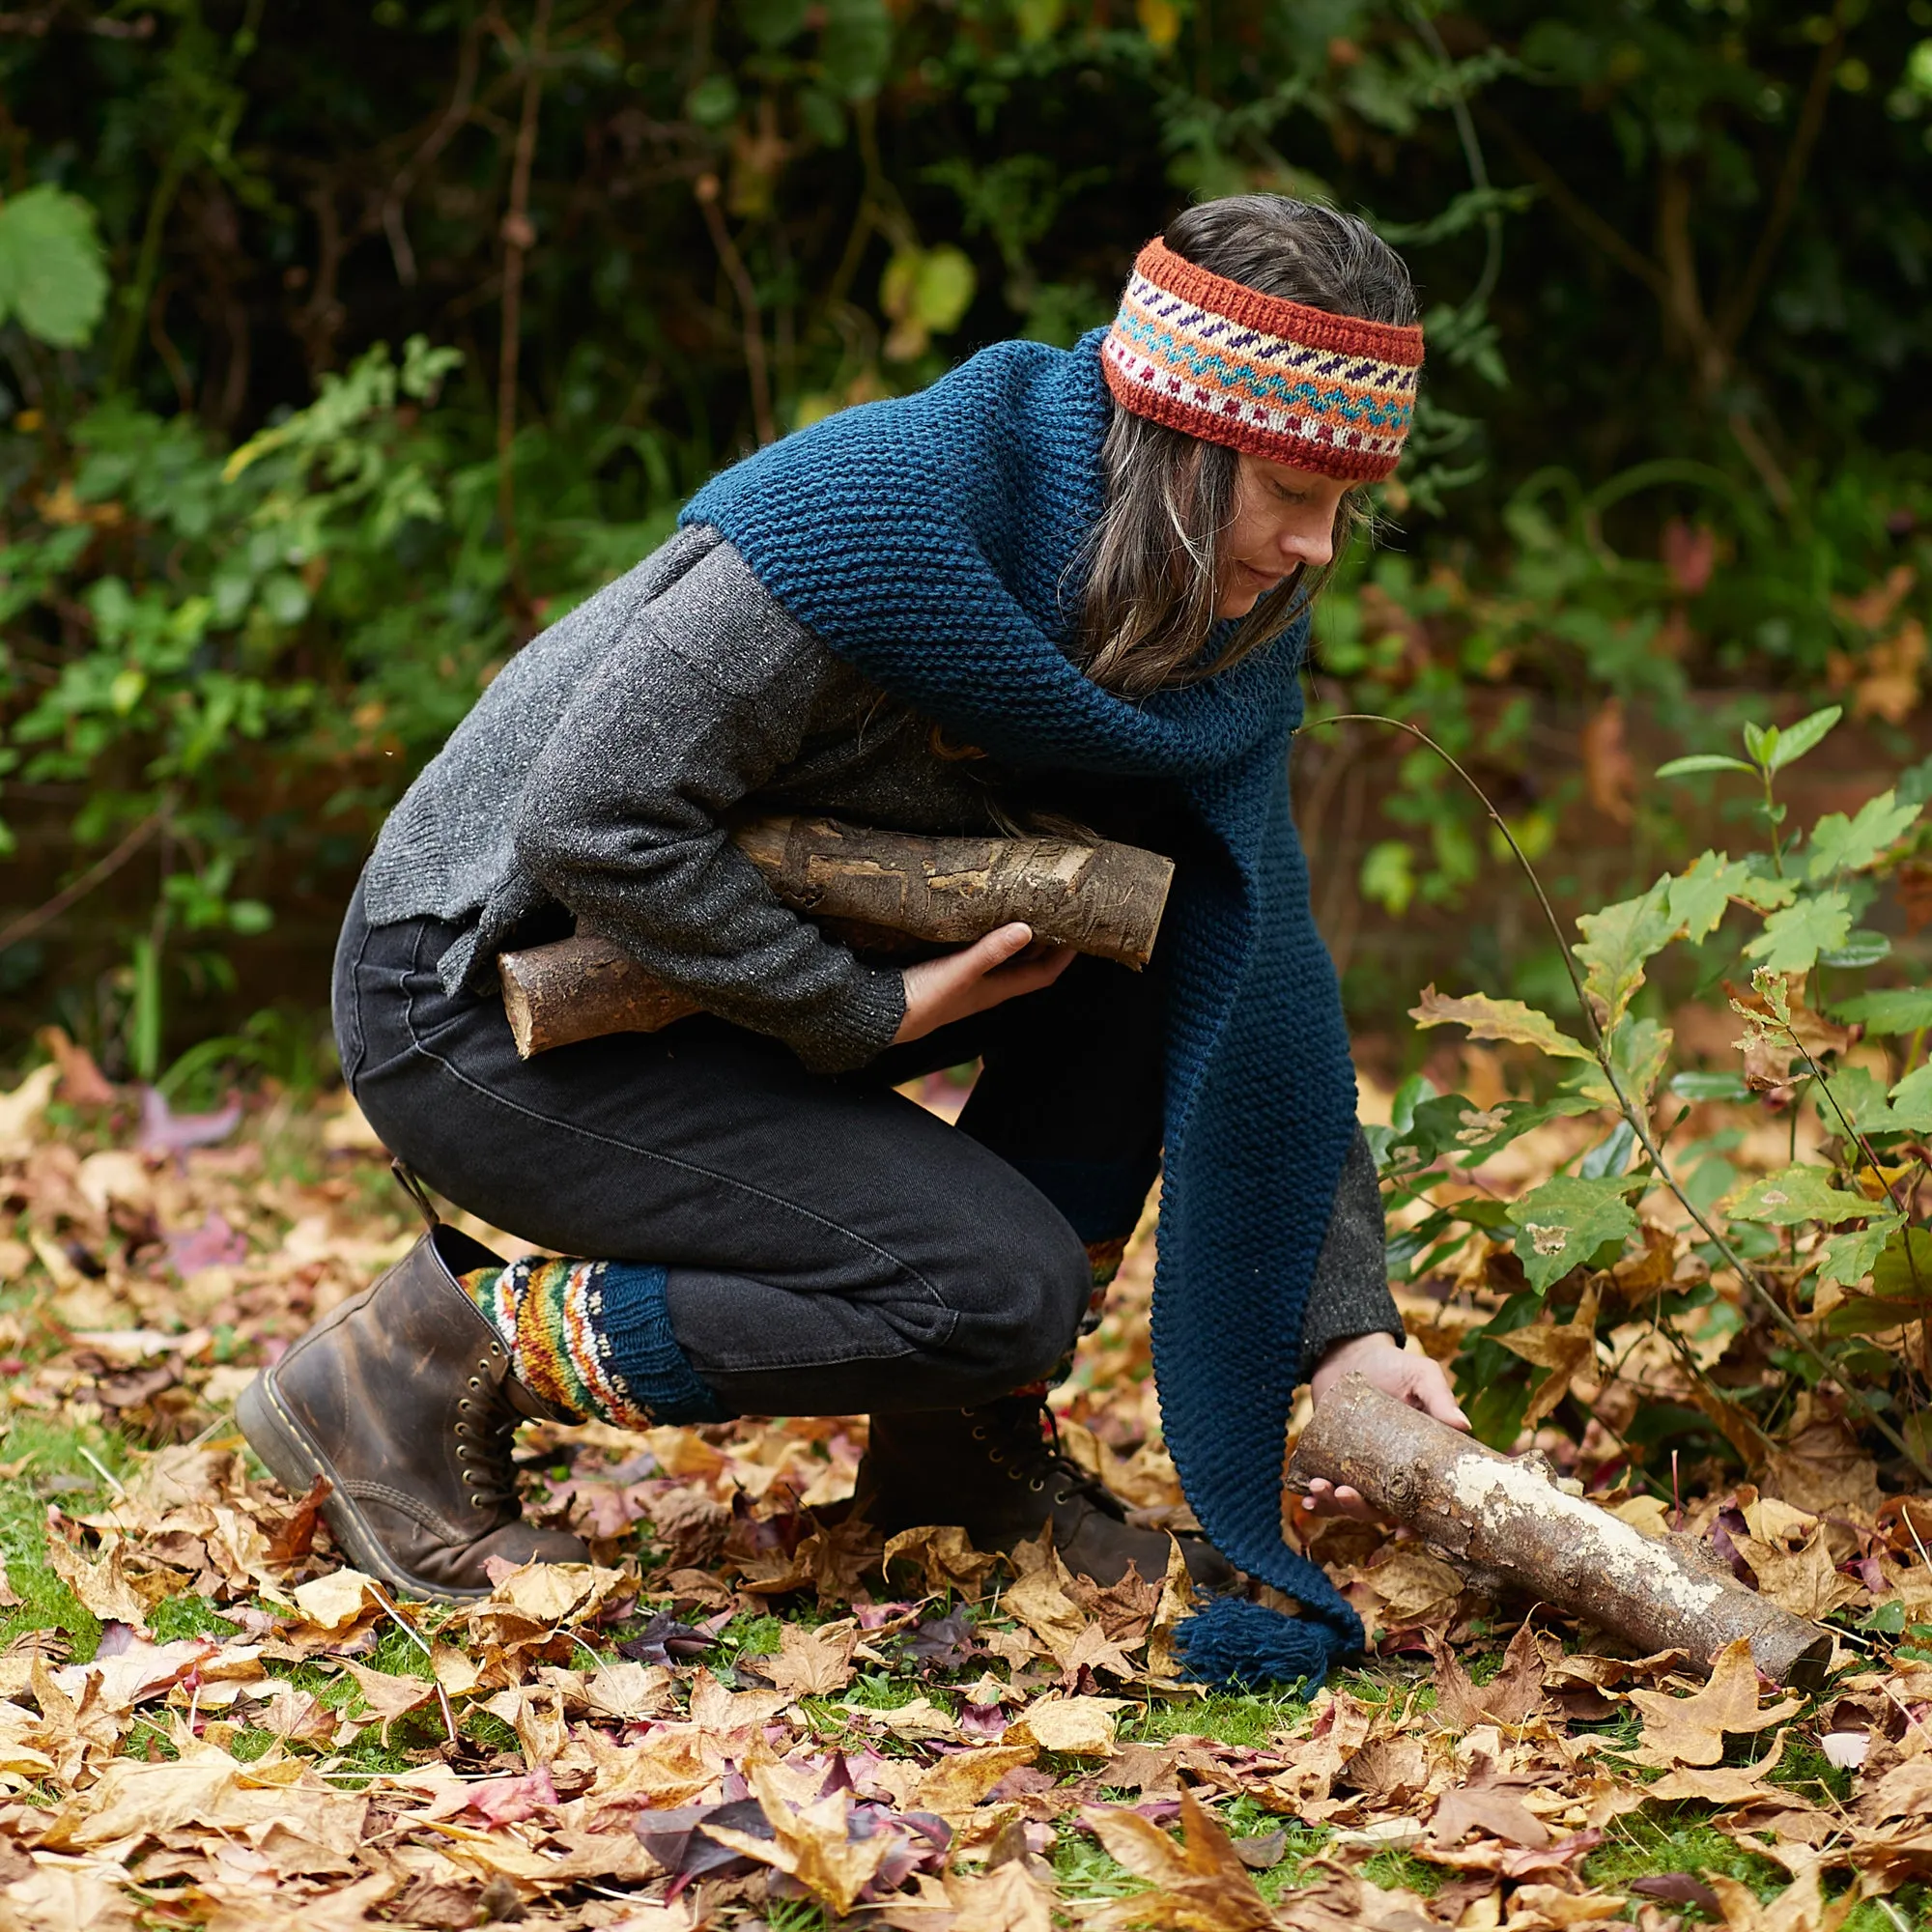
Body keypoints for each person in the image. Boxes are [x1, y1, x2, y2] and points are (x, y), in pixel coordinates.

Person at [240, 194, 1468, 1688]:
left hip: (720, 995)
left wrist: (1342, 1332)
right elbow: (592, 819)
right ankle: (425, 1365)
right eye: (1290, 487)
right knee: (988, 1290)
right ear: (1183, 442)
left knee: (1171, 933)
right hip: (476, 1003)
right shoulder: (879, 518)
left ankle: (956, 1455)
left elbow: (1255, 968)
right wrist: (854, 1009)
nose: (1314, 546)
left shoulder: (1208, 617)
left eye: (1349, 502)